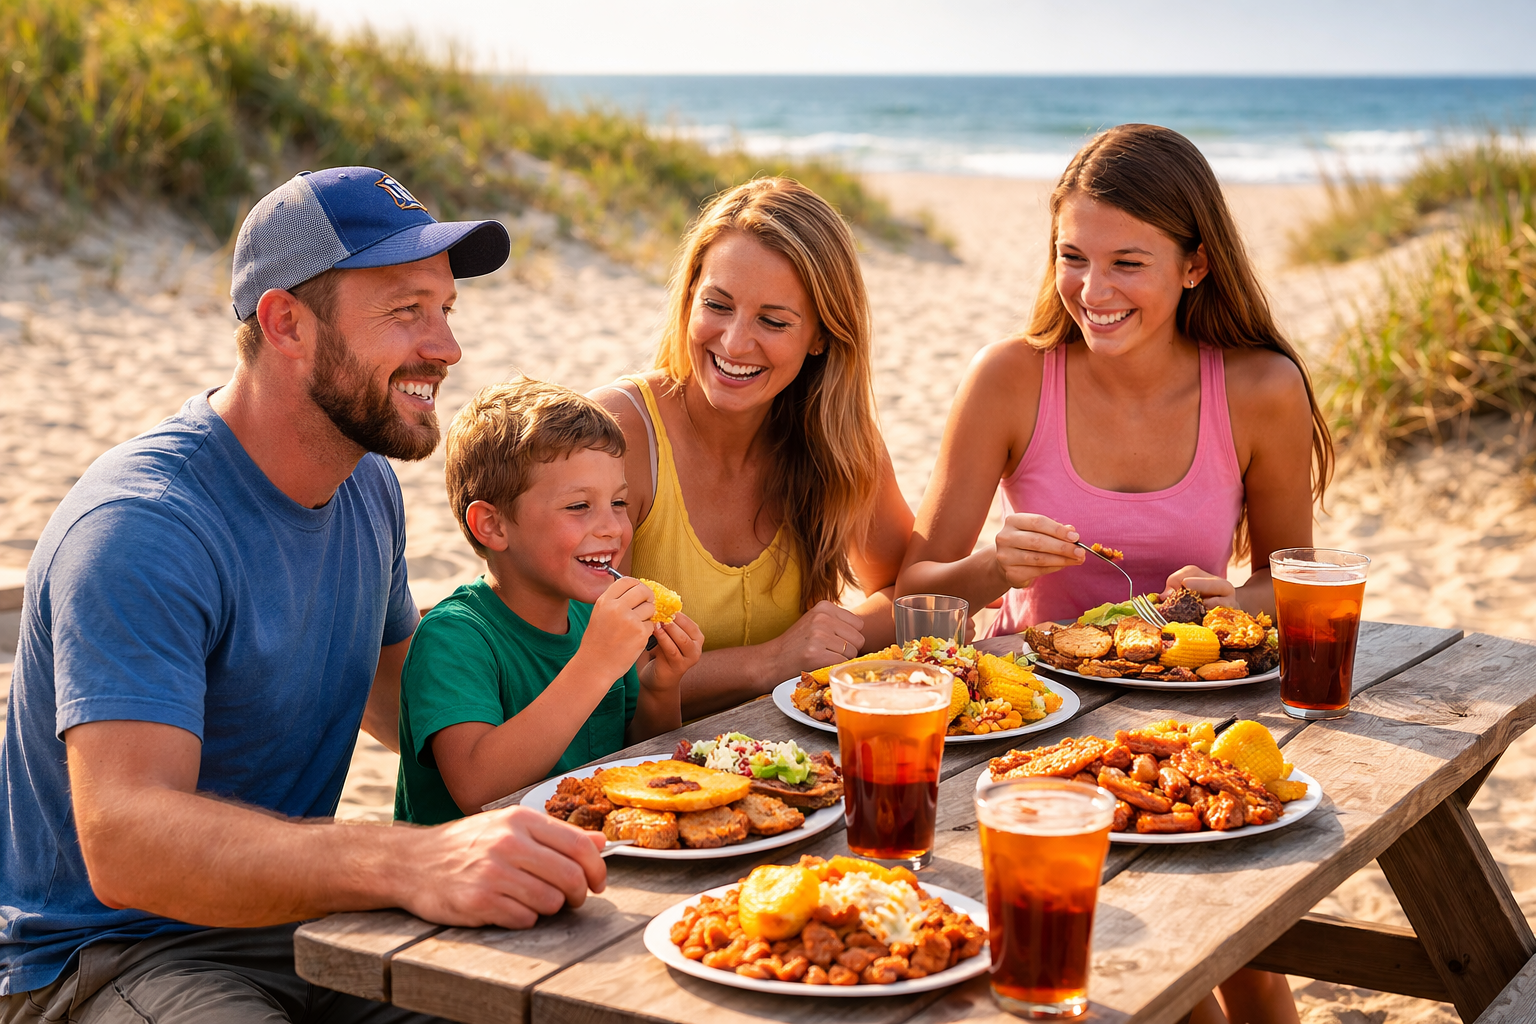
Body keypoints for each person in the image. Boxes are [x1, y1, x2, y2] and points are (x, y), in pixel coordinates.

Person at [0, 167, 609, 1024]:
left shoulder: (365, 488)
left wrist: (594, 663)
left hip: (300, 918)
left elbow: (412, 710)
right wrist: (407, 861)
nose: (446, 347)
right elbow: (126, 842)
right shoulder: (144, 525)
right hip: (110, 953)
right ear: (286, 322)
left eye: (446, 311)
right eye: (406, 311)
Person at [897, 124, 1323, 1023]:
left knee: (1236, 938)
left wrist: (1231, 599)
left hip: (1199, 720)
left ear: (1195, 264)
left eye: (1128, 262)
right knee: (1135, 957)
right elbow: (913, 589)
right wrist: (991, 566)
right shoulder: (1011, 378)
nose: (1094, 292)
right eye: (1072, 257)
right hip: (1036, 726)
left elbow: (1294, 581)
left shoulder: (1258, 388)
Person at [593, 177, 914, 718]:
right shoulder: (617, 434)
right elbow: (602, 677)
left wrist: (838, 636)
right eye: (717, 305)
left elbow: (904, 590)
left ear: (821, 336)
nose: (736, 342)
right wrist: (772, 661)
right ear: (689, 297)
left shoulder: (837, 439)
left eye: (773, 320)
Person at [394, 378, 704, 824]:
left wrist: (660, 686)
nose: (613, 527)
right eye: (579, 506)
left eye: (619, 502)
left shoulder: (590, 617)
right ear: (493, 527)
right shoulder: (454, 638)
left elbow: (644, 759)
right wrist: (595, 665)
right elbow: (478, 789)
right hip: (478, 879)